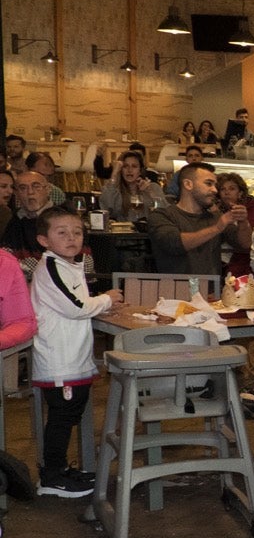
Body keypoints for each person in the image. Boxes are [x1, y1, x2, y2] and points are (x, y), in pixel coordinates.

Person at [29, 206, 123, 497]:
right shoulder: (51, 267)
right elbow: (77, 307)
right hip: (60, 359)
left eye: (77, 232)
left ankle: (60, 470)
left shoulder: (69, 264)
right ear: (44, 240)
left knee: (70, 413)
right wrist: (107, 299)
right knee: (62, 416)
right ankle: (52, 477)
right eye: (62, 232)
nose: (71, 237)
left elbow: (75, 301)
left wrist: (101, 301)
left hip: (73, 356)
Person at [147, 162, 251, 276]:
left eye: (215, 185)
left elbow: (245, 244)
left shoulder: (215, 217)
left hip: (211, 292)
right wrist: (217, 227)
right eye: (208, 184)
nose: (215, 190)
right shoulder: (161, 216)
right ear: (188, 184)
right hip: (175, 291)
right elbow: (175, 244)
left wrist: (243, 222)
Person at [2, 171, 58, 276]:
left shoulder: (62, 218)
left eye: (36, 186)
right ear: (16, 194)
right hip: (19, 281)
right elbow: (5, 255)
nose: (30, 192)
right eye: (23, 188)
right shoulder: (15, 219)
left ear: (48, 190)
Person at [216, 173, 254, 277]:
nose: (227, 192)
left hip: (245, 267)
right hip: (221, 265)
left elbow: (251, 244)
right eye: (223, 189)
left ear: (240, 193)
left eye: (232, 189)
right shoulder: (215, 211)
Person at [99, 150, 167, 224]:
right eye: (125, 166)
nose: (129, 170)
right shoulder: (114, 190)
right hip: (123, 233)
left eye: (134, 166)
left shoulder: (153, 187)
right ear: (121, 170)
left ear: (140, 170)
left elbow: (164, 211)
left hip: (148, 232)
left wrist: (150, 192)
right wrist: (114, 174)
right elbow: (106, 209)